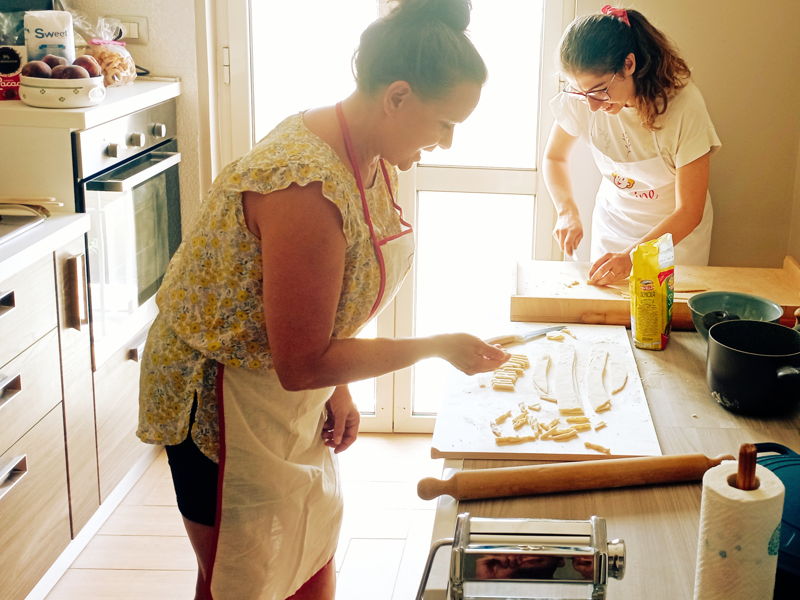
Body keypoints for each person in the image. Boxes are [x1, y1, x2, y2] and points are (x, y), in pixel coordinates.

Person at [136, 1, 508, 599]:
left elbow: (312, 310)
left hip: (281, 387)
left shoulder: (366, 151)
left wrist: (338, 385)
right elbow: (301, 360)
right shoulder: (304, 185)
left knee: (305, 545)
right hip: (224, 398)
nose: (445, 142)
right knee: (243, 574)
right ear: (398, 97)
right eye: (443, 123)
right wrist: (436, 347)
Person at [543, 5, 721, 285]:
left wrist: (631, 257)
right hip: (613, 226)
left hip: (675, 238)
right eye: (580, 92)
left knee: (664, 308)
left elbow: (689, 212)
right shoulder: (585, 94)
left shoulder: (684, 106)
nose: (592, 105)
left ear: (629, 64)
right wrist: (566, 211)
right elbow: (554, 158)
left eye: (600, 90)